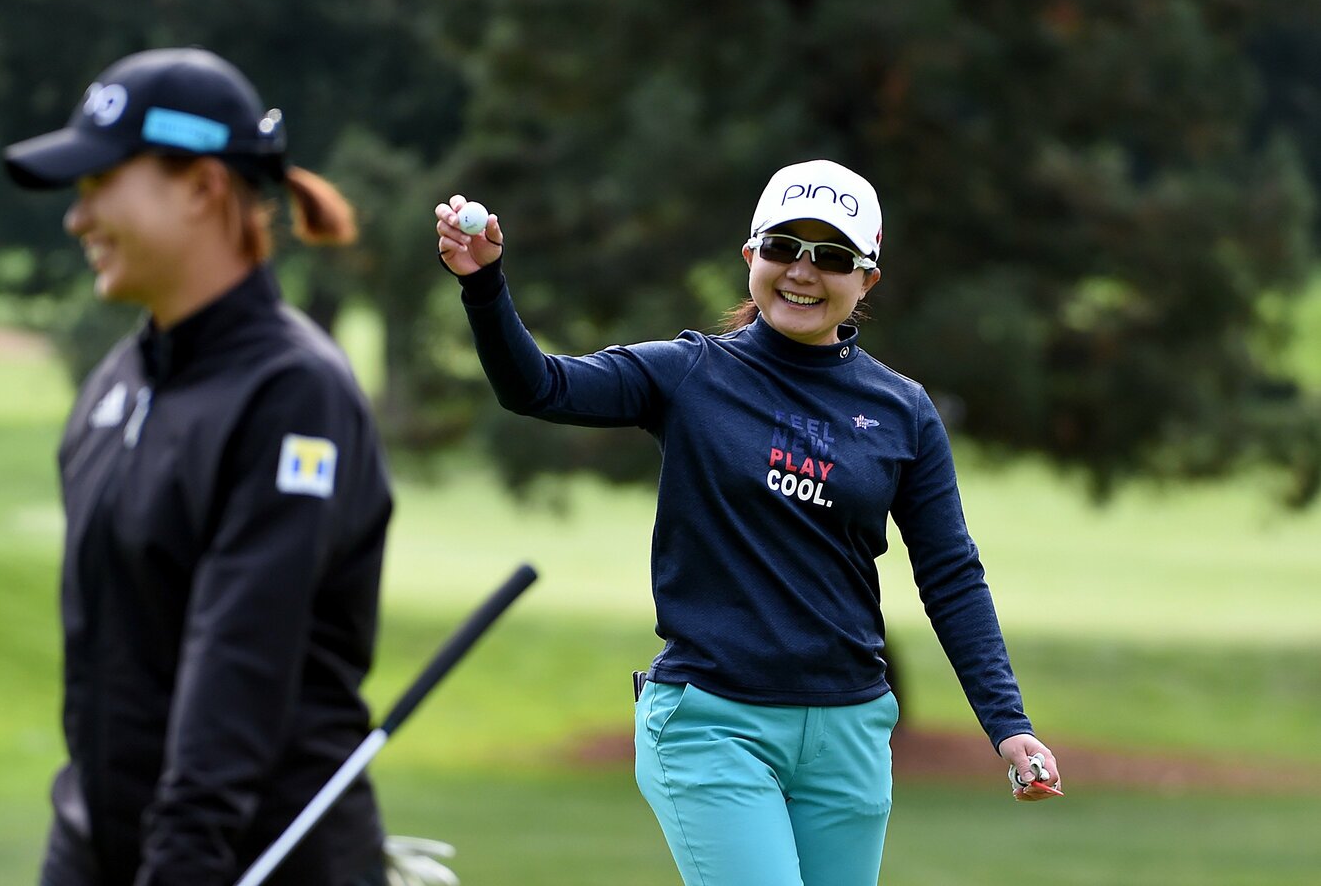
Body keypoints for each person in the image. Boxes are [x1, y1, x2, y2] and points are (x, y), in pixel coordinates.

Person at [433, 160, 1062, 885]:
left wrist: (1008, 724)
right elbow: (538, 386)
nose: (802, 271)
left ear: (867, 281)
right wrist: (482, 284)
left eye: (831, 257)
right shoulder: (689, 374)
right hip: (712, 724)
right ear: (750, 257)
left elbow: (951, 574)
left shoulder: (902, 410)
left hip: (849, 732)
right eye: (784, 248)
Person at [4, 47, 392, 886]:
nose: (78, 219)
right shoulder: (117, 383)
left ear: (203, 188)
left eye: (100, 183)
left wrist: (179, 864)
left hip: (257, 858)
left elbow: (239, 662)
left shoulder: (294, 392)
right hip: (104, 846)